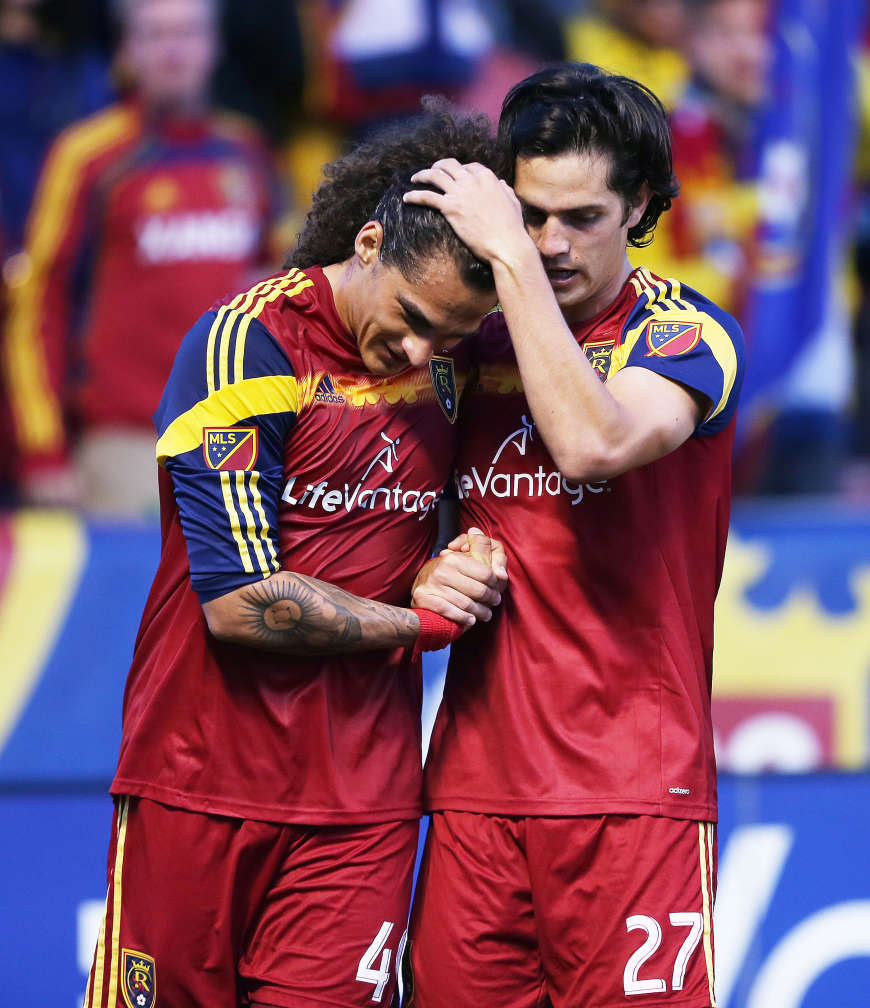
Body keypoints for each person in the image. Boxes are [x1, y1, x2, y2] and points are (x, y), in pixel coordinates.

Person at [81, 102, 507, 1008]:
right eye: (413, 315)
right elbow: (240, 601)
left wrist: (458, 558)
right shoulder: (246, 344)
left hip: (364, 805)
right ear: (365, 243)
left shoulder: (455, 364)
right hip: (197, 783)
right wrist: (425, 618)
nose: (424, 350)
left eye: (452, 336)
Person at [404, 62, 746, 1007]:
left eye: (580, 219)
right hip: (474, 791)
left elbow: (595, 444)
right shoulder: (462, 344)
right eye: (529, 214)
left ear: (641, 206)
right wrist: (424, 573)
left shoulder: (687, 337)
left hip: (636, 799)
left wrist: (507, 257)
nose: (550, 244)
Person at [4, 0, 281, 516]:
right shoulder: (87, 157)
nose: (173, 50)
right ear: (128, 50)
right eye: (155, 35)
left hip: (239, 443)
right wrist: (43, 452)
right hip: (128, 446)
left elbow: (281, 290)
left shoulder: (245, 150)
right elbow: (37, 304)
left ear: (213, 45)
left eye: (188, 33)